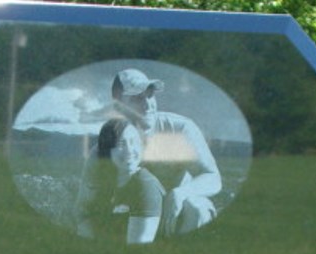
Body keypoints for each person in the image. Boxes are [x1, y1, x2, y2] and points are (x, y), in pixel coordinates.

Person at [75, 68, 222, 239]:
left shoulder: (180, 129)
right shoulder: (106, 148)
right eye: (137, 98)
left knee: (197, 208)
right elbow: (84, 210)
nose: (148, 105)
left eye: (150, 95)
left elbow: (213, 177)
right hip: (133, 212)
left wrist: (181, 193)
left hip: (175, 211)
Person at [94, 118, 166, 244]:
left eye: (134, 142)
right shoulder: (108, 182)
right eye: (121, 144)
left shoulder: (145, 186)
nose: (129, 150)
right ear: (107, 149)